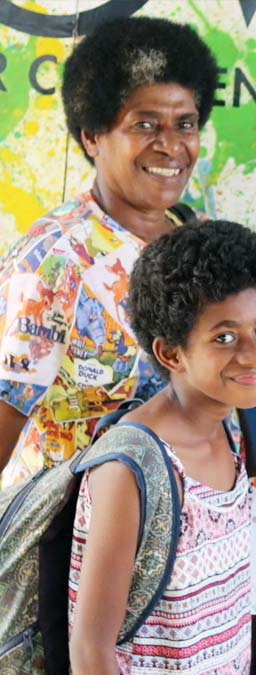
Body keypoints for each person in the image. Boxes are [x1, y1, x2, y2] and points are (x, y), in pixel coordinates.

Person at [0, 16, 219, 488]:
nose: (171, 146)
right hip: (72, 523)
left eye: (185, 124)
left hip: (190, 515)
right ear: (92, 136)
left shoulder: (201, 239)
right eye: (145, 124)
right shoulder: (55, 260)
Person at [67, 220, 256, 673]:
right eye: (224, 337)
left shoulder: (227, 429)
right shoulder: (132, 468)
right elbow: (90, 650)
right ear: (171, 354)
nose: (254, 354)